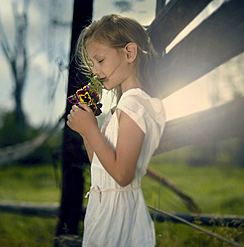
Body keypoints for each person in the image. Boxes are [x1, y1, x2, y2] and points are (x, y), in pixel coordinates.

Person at [66, 14, 166, 247]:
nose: (96, 72)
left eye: (100, 60)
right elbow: (101, 168)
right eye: (92, 65)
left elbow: (122, 175)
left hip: (119, 218)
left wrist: (91, 129)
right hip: (108, 212)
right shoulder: (123, 107)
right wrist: (86, 132)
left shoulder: (134, 104)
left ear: (129, 53)